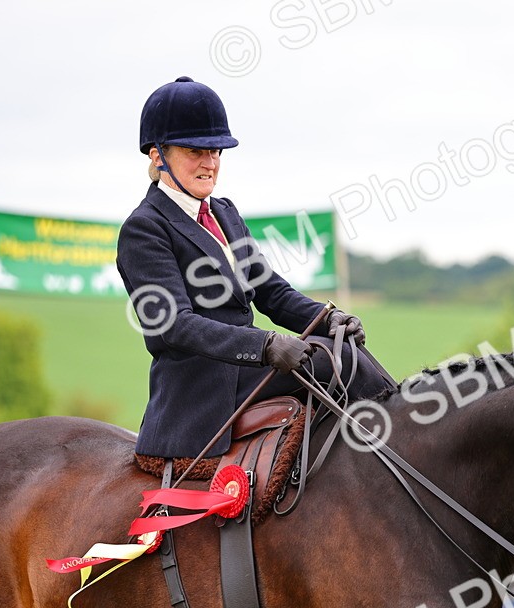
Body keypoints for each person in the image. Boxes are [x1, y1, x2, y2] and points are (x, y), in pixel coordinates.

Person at [116, 77, 394, 458]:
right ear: (157, 155)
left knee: (344, 349)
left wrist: (328, 318)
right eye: (195, 151)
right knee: (338, 361)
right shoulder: (144, 228)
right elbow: (176, 325)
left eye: (216, 151)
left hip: (248, 371)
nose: (210, 162)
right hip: (201, 386)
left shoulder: (225, 213)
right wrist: (264, 345)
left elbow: (271, 292)